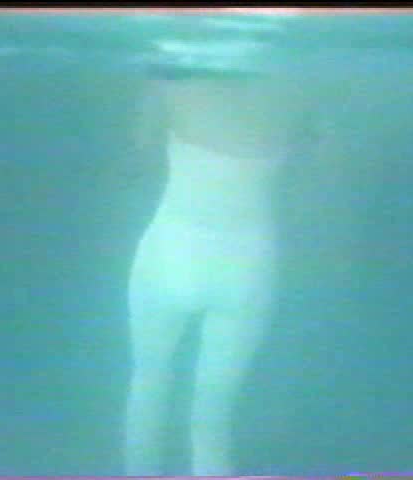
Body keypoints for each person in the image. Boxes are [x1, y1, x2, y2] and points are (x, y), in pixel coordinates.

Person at [125, 76, 302, 475]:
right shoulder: (298, 89)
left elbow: (139, 145)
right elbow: (312, 167)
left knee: (148, 384)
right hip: (249, 265)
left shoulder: (171, 80)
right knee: (214, 414)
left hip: (170, 252)